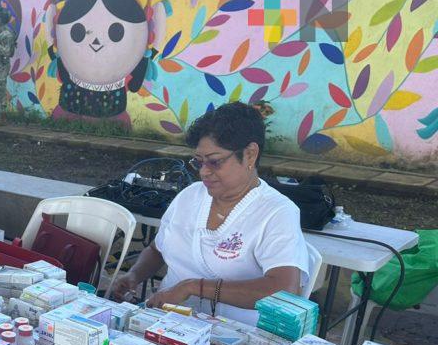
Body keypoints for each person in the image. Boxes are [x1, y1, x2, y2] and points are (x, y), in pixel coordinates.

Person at [110, 102, 309, 324]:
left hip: (234, 333)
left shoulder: (276, 212)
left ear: (250, 154)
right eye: (199, 162)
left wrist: (193, 287)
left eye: (215, 162)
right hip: (167, 323)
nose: (204, 172)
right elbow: (157, 249)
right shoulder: (189, 197)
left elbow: (284, 291)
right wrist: (134, 275)